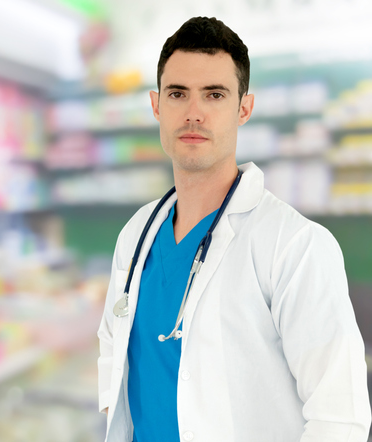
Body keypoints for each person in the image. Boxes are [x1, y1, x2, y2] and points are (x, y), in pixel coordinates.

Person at [97, 16, 371, 442]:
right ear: (156, 106)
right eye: (177, 94)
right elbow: (116, 358)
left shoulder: (294, 246)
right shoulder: (135, 236)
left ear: (243, 108)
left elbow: (340, 417)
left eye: (214, 94)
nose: (193, 112)